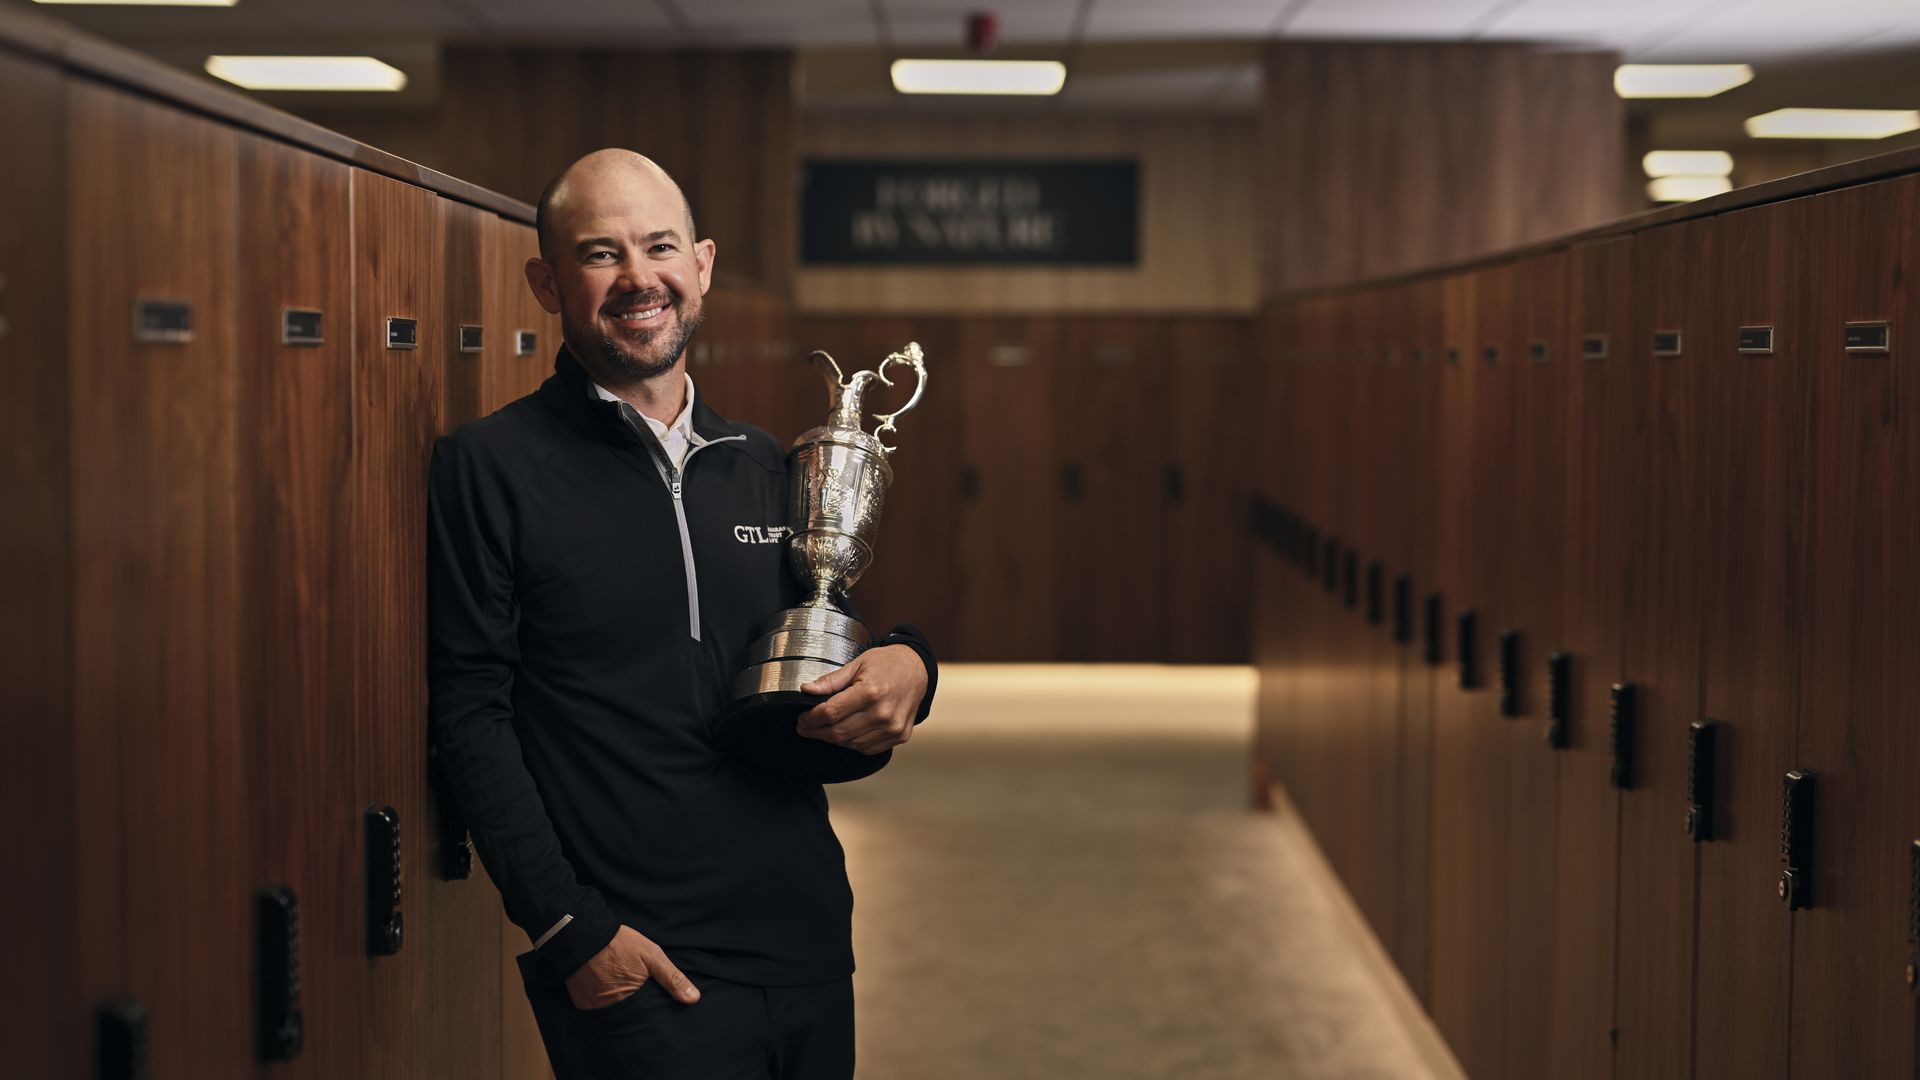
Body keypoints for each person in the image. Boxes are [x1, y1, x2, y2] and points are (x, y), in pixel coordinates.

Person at [427, 148, 937, 1080]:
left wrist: (911, 663)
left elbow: (829, 637)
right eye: (599, 254)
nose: (637, 278)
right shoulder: (494, 467)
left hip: (806, 938)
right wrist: (570, 928)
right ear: (548, 283)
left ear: (701, 265)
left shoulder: (761, 462)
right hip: (643, 965)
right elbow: (469, 712)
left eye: (659, 247)